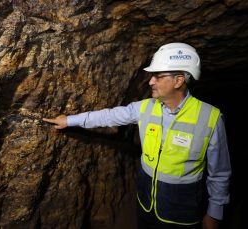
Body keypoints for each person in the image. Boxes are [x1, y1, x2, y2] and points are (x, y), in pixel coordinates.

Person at [42, 42, 231, 229]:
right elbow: (109, 116)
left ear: (178, 80)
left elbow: (220, 172)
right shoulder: (144, 108)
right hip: (145, 204)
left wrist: (215, 211)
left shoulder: (210, 118)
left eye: (157, 76)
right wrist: (69, 120)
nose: (151, 82)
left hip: (181, 213)